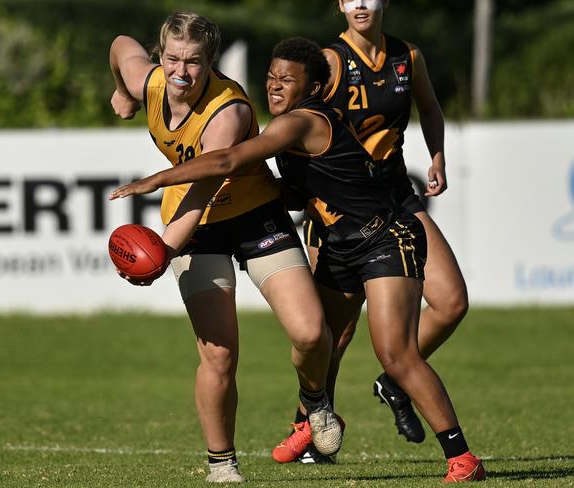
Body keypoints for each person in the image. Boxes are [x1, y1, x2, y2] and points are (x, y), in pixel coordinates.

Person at [109, 36, 485, 483]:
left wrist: (155, 180)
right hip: (338, 241)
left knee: (394, 353)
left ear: (314, 87)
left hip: (382, 237)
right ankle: (312, 415)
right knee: (322, 339)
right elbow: (294, 188)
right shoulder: (283, 123)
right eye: (270, 77)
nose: (274, 86)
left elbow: (226, 158)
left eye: (287, 80)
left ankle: (462, 459)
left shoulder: (301, 122)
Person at [108, 12, 342, 483]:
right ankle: (222, 465)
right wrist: (120, 89)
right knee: (219, 353)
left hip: (253, 216)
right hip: (197, 229)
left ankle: (314, 399)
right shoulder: (149, 82)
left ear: (211, 62)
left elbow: (203, 186)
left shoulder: (228, 110)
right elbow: (119, 44)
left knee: (313, 334)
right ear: (160, 56)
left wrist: (164, 251)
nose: (181, 71)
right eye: (172, 58)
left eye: (194, 62)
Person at [275, 0, 471, 464]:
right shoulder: (328, 62)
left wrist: (437, 155)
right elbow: (302, 132)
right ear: (341, 5)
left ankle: (396, 375)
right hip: (338, 208)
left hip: (396, 195)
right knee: (332, 335)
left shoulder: (408, 57)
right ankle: (310, 429)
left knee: (452, 301)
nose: (362, 3)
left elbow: (431, 108)